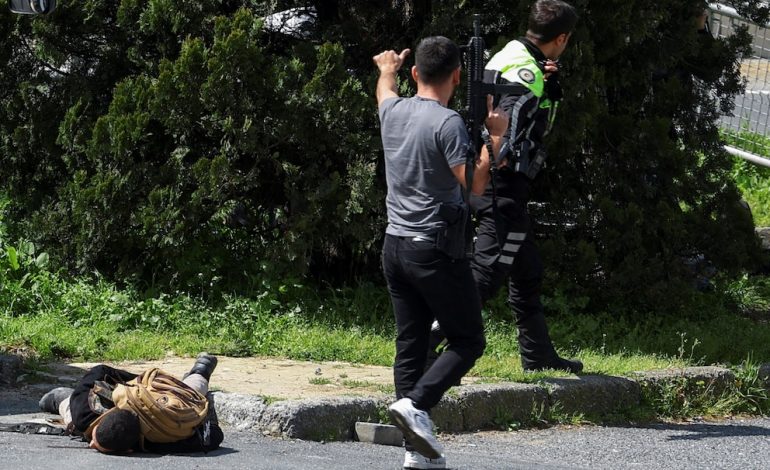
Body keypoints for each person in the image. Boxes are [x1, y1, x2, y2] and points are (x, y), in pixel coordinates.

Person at [373, 36, 509, 469]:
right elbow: (475, 185)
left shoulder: (392, 110)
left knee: (411, 344)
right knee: (468, 340)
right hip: (434, 249)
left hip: (394, 246)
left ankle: (417, 451)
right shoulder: (447, 123)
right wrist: (495, 138)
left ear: (415, 74)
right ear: (456, 76)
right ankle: (417, 404)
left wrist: (386, 69)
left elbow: (384, 90)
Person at [429, 0, 582, 375]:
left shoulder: (513, 54)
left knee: (527, 270)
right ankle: (428, 339)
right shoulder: (525, 73)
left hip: (501, 183)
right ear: (561, 38)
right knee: (486, 271)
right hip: (503, 184)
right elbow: (504, 127)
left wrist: (548, 83)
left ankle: (538, 355)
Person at [38, 352, 223, 454]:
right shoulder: (158, 443)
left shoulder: (84, 415)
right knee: (187, 391)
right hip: (167, 392)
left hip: (166, 393)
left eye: (93, 440)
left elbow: (214, 435)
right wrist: (139, 383)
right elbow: (100, 370)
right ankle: (201, 370)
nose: (91, 445)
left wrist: (140, 387)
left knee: (72, 415)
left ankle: (60, 398)